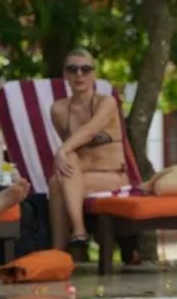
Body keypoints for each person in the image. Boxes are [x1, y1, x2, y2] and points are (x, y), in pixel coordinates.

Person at [47, 48, 129, 250]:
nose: (79, 74)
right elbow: (72, 146)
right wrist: (65, 152)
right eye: (72, 69)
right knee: (60, 175)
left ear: (94, 74)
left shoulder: (107, 102)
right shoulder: (59, 110)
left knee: (58, 179)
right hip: (79, 175)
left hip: (112, 176)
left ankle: (68, 241)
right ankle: (75, 238)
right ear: (65, 74)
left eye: (85, 69)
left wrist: (61, 151)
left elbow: (90, 130)